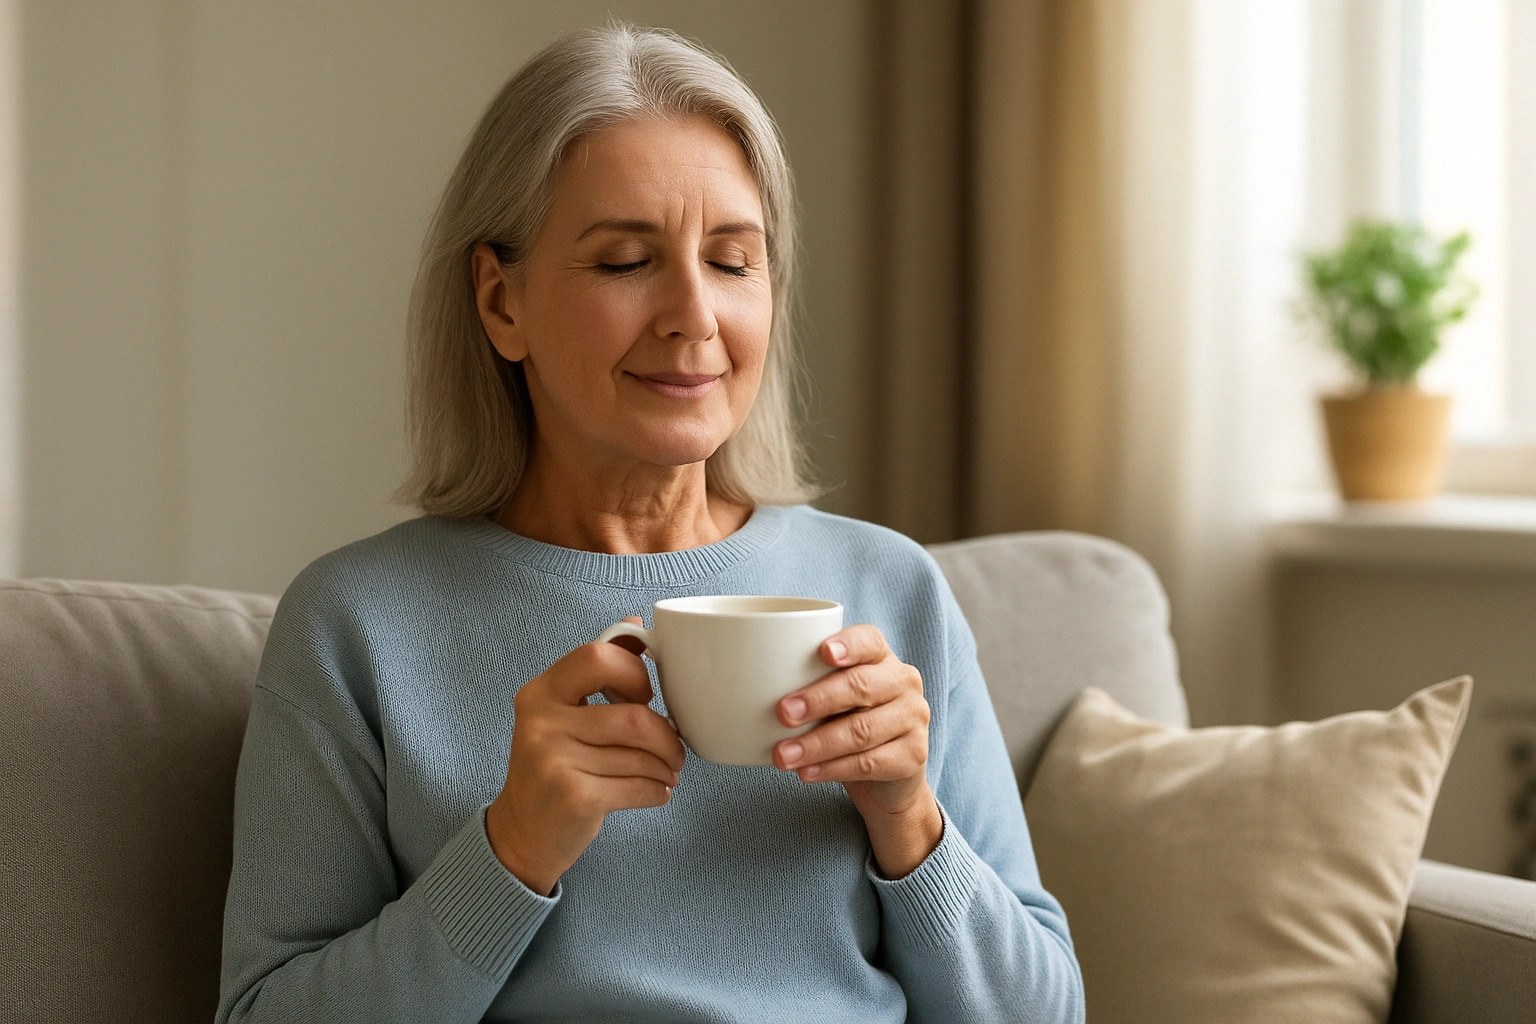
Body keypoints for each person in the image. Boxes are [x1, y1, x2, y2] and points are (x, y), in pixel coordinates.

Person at [217, 22, 1084, 1024]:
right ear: (502, 303)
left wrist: (910, 822)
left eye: (732, 260)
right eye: (627, 260)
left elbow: (1046, 1014)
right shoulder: (356, 623)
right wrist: (509, 853)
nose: (693, 315)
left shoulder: (891, 588)